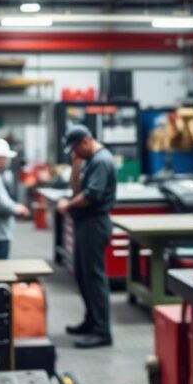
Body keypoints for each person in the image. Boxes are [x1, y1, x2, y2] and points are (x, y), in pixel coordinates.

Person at [57, 125, 117, 349]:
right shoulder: (88, 160)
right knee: (83, 276)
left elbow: (92, 195)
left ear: (85, 141)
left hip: (95, 223)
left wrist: (67, 205)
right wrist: (75, 165)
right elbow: (76, 189)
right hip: (85, 223)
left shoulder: (102, 161)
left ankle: (102, 331)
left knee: (94, 278)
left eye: (75, 149)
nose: (75, 153)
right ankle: (91, 321)